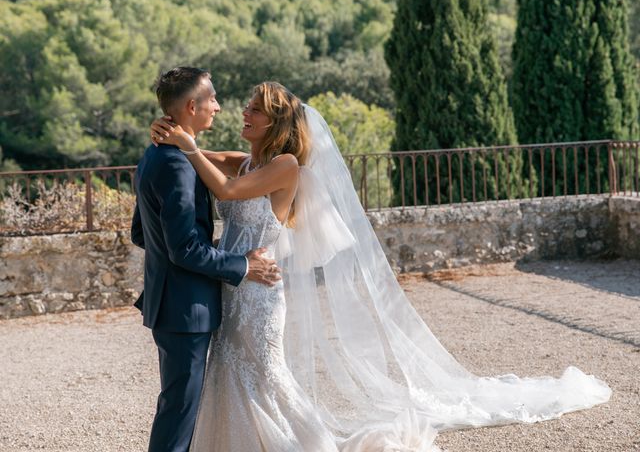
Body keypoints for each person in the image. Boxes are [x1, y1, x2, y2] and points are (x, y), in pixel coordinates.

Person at [150, 80, 611, 451]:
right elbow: (204, 161)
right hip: (236, 283)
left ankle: (312, 445)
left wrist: (188, 145)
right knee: (231, 371)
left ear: (275, 122)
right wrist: (172, 140)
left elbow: (225, 192)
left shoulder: (286, 165)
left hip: (258, 291)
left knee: (267, 375)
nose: (242, 114)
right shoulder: (250, 160)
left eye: (254, 109)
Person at [131, 67, 281, 452]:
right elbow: (185, 249)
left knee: (179, 406)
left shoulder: (158, 155)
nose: (218, 106)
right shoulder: (179, 166)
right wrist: (244, 265)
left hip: (173, 303)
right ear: (192, 105)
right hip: (185, 308)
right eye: (212, 99)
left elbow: (140, 233)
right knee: (180, 412)